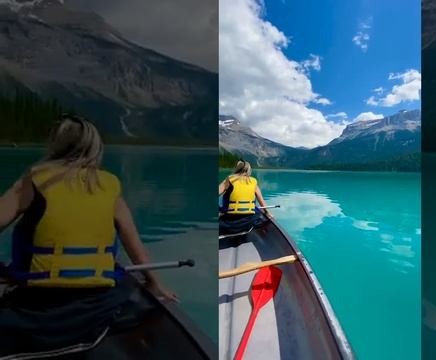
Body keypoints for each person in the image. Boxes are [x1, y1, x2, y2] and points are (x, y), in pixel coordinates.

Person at [0, 114, 176, 357]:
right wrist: (155, 284)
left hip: (35, 307)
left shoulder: (33, 180)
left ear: (56, 144)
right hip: (97, 309)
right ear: (95, 148)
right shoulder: (108, 185)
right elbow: (136, 248)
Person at [218, 160, 271, 233]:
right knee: (256, 210)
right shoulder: (253, 181)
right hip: (248, 222)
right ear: (249, 170)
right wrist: (268, 213)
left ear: (237, 169)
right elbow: (261, 201)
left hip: (229, 223)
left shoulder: (230, 180)